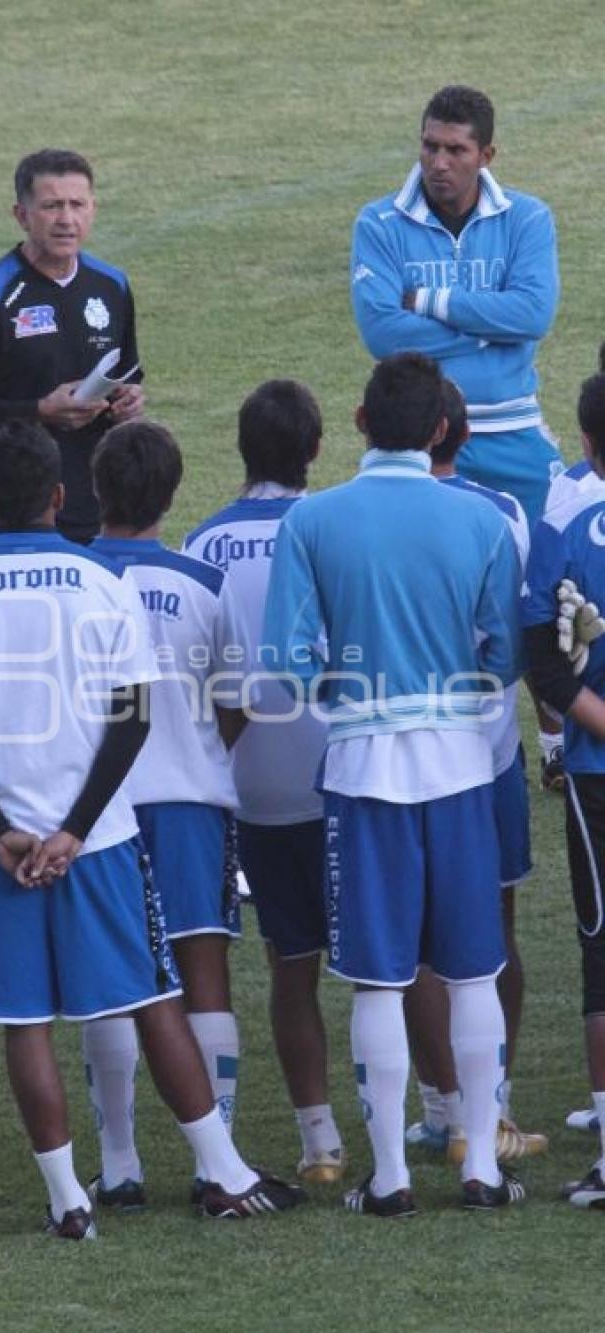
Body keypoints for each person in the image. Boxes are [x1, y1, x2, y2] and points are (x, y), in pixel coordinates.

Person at [0, 419, 305, 1238]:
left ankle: (69, 1196)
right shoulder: (98, 581)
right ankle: (222, 1172)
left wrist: (1, 829)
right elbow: (132, 720)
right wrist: (75, 829)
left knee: (26, 1021)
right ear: (59, 496)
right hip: (101, 840)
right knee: (151, 994)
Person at [263, 352, 522, 1216]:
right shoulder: (483, 522)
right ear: (442, 428)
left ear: (362, 421)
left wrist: (356, 694)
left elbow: (287, 668)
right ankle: (481, 1163)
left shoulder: (312, 522)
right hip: (458, 768)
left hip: (365, 769)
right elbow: (502, 655)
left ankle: (391, 1177)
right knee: (474, 970)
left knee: (379, 978)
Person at [350, 84, 564, 785]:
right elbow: (383, 330)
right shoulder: (379, 223)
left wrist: (432, 302)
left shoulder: (527, 218)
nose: (439, 162)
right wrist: (485, 327)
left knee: (544, 593)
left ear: (487, 154)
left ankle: (557, 733)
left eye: (456, 150)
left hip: (515, 441)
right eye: (430, 146)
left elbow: (532, 315)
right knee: (427, 588)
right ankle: (428, 736)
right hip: (420, 442)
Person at [183, 379, 345, 1185]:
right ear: (316, 449)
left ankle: (318, 1141)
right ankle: (443, 1117)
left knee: (292, 963)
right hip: (349, 777)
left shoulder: (201, 545)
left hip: (252, 791)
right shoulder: (336, 526)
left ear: (241, 450)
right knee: (405, 960)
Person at [84, 420, 247, 1209]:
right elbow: (236, 703)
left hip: (97, 810)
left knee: (110, 980)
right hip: (188, 803)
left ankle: (119, 1165)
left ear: (95, 490)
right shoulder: (202, 583)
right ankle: (219, 1163)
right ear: (173, 493)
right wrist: (201, 750)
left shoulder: (72, 578)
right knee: (203, 979)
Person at [402, 377, 547, 1162]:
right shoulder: (505, 514)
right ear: (460, 433)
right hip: (486, 753)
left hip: (392, 754)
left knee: (417, 938)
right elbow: (519, 640)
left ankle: (445, 1106)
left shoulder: (350, 512)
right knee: (494, 925)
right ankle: (491, 1107)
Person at [0, 147, 144, 543]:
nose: (67, 219)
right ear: (22, 216)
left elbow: (127, 372)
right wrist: (39, 412)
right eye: (51, 206)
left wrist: (129, 401)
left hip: (97, 511)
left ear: (93, 208)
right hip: (11, 516)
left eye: (77, 204)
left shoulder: (111, 286)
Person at [523, 371, 605, 1207]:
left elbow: (543, 664)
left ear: (584, 441)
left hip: (596, 771)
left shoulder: (563, 522)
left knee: (604, 956)